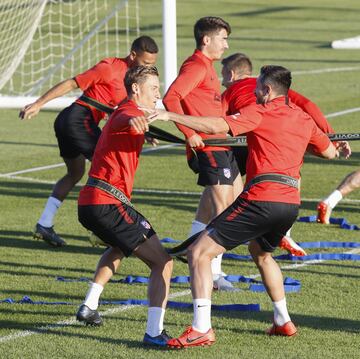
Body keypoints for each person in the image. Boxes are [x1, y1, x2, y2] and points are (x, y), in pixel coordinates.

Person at [151, 65, 338, 347]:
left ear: (268, 90)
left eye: (258, 87)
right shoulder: (302, 118)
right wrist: (323, 144)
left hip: (261, 198)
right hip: (290, 204)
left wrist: (171, 115)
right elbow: (329, 152)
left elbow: (217, 125)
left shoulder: (260, 111)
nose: (254, 91)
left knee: (198, 253)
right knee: (260, 253)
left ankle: (202, 328)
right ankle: (283, 321)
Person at [19, 36, 158, 247]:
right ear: (132, 55)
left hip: (72, 122)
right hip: (77, 119)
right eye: (146, 63)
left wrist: (142, 129)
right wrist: (39, 103)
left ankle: (44, 223)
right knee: (108, 171)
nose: (149, 67)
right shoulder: (110, 68)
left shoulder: (132, 81)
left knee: (75, 173)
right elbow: (72, 83)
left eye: (152, 64)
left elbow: (122, 113)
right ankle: (101, 230)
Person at [76, 66, 173, 347]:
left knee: (119, 247)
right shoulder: (126, 111)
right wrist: (137, 121)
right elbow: (127, 117)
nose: (158, 94)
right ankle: (154, 332)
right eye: (154, 88)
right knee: (162, 262)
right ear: (135, 89)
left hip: (92, 203)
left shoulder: (128, 113)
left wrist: (143, 128)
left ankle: (89, 305)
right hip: (107, 202)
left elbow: (130, 122)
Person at [221, 52, 352, 256]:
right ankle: (281, 231)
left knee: (227, 194)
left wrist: (197, 139)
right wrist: (331, 137)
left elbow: (218, 121)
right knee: (289, 173)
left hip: (244, 139)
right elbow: (309, 106)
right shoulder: (274, 91)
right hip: (256, 138)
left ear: (230, 74)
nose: (222, 82)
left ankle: (217, 264)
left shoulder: (232, 92)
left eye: (222, 77)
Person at [163, 16, 240, 291]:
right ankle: (214, 272)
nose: (226, 44)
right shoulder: (196, 66)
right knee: (224, 211)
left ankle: (194, 250)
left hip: (222, 145)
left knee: (218, 204)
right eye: (223, 38)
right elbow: (170, 98)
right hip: (208, 147)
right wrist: (189, 133)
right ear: (206, 40)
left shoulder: (206, 66)